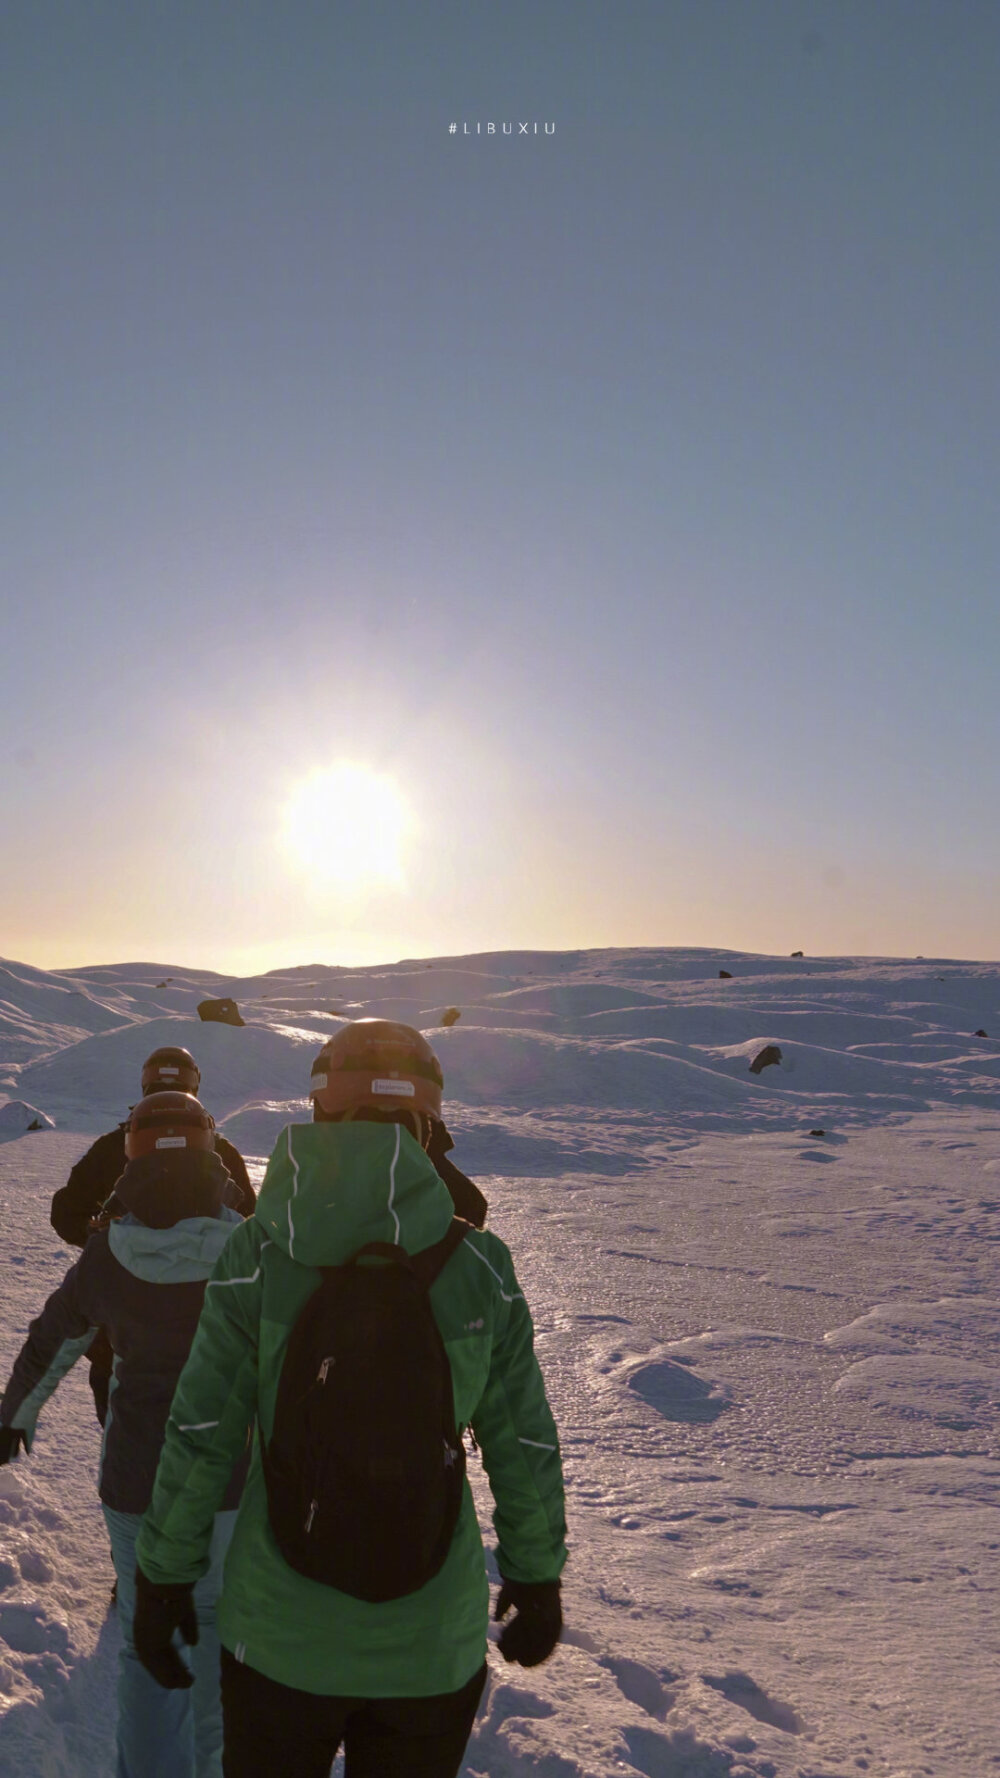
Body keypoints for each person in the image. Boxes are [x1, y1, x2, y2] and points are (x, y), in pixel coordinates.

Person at [134, 1019, 566, 1778]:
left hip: (278, 1637)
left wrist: (163, 1577)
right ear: (428, 1122)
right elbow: (521, 1438)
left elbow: (202, 1430)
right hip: (432, 1645)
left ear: (321, 1112)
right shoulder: (481, 1265)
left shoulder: (257, 1252)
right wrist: (536, 1574)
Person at [0, 1092, 248, 1778]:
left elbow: (52, 1339)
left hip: (138, 1480)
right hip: (233, 1481)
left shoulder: (108, 1253)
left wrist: (15, 1413)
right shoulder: (253, 1250)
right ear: (211, 1152)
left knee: (150, 1643)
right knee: (219, 1632)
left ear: (132, 1153)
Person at [49, 1046, 255, 1426]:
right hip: (206, 1322)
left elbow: (65, 1212)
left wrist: (98, 1234)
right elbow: (251, 1226)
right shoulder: (220, 1150)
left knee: (124, 1439)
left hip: (121, 1329)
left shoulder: (114, 1146)